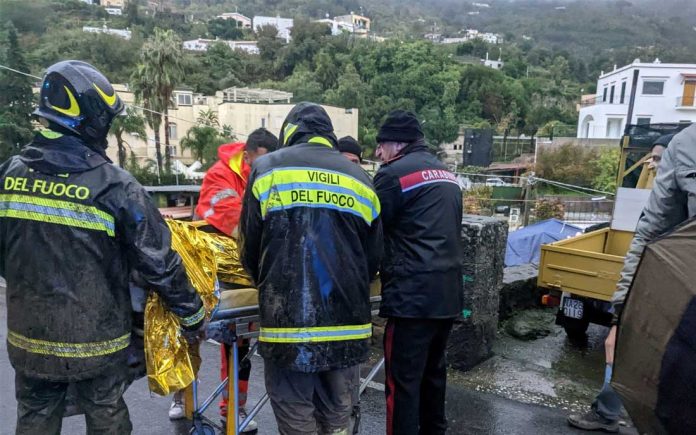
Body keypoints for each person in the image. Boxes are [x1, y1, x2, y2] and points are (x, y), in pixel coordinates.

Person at [0, 60, 204, 435]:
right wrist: (192, 314)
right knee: (107, 413)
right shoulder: (114, 185)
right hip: (96, 342)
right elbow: (158, 261)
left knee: (34, 415)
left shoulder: (10, 173)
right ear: (91, 118)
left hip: (28, 339)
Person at [240, 102, 383, 435]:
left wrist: (265, 283)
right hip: (348, 325)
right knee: (338, 414)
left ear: (289, 133)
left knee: (296, 414)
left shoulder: (266, 169)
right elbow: (373, 258)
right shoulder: (361, 178)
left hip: (289, 327)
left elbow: (249, 247)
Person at [568, 131, 680, 432]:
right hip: (657, 280)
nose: (653, 166)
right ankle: (607, 411)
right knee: (622, 346)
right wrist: (620, 313)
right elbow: (643, 235)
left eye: (659, 159)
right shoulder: (660, 184)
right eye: (653, 159)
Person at [167, 129, 279, 432]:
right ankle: (181, 395)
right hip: (208, 267)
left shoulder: (265, 176)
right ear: (249, 154)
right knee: (190, 334)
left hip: (244, 268)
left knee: (240, 342)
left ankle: (234, 407)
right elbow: (231, 218)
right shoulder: (221, 175)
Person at [373, 110, 463, 435]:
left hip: (412, 298)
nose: (377, 154)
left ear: (396, 145)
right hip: (448, 295)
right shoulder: (448, 175)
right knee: (433, 377)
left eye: (380, 146)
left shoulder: (392, 175)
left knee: (403, 384)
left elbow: (372, 231)